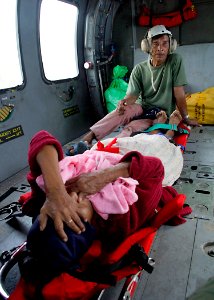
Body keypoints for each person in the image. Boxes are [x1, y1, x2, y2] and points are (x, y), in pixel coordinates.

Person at [66, 24, 200, 155]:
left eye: (165, 43)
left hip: (162, 114)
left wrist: (186, 118)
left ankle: (106, 151)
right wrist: (123, 102)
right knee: (123, 110)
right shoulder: (139, 69)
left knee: (130, 129)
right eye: (155, 43)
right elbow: (132, 96)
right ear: (147, 46)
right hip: (143, 108)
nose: (160, 48)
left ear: (171, 46)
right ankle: (88, 138)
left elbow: (179, 94)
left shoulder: (175, 61)